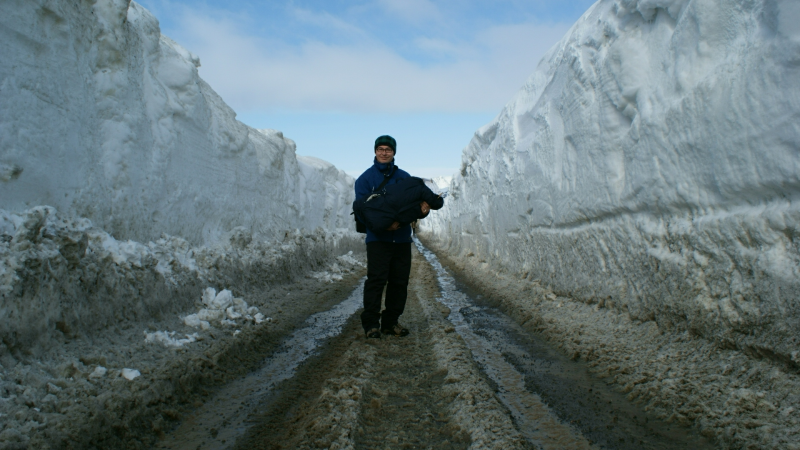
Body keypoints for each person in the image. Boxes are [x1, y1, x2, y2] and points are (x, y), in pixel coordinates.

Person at [355, 135, 429, 339]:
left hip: (402, 239)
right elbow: (362, 210)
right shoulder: (365, 179)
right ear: (375, 151)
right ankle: (371, 324)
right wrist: (384, 226)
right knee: (376, 281)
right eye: (380, 149)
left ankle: (390, 322)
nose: (384, 152)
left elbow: (415, 206)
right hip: (378, 240)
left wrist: (423, 210)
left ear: (394, 152)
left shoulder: (404, 177)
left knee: (399, 282)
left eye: (388, 149)